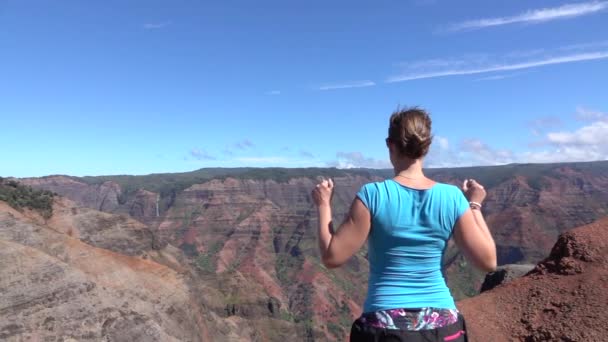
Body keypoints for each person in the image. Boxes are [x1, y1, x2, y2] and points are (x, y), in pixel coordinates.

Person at [311, 107, 497, 342]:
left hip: (385, 326)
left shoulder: (373, 195)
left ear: (390, 144)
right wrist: (474, 205)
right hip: (442, 326)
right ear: (427, 147)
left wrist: (323, 204)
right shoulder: (452, 197)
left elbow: (332, 257)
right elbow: (488, 262)